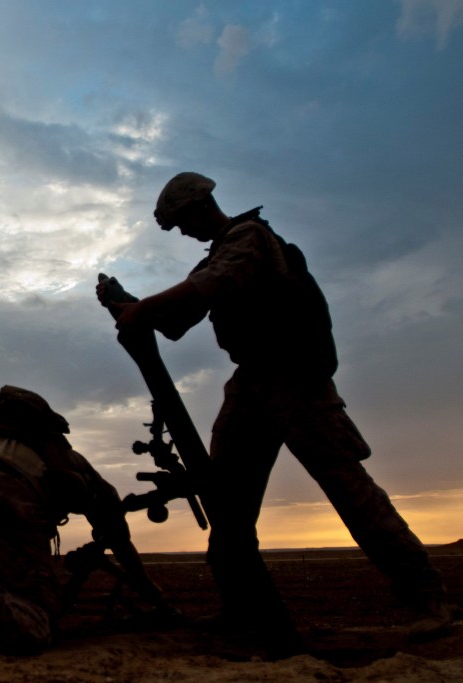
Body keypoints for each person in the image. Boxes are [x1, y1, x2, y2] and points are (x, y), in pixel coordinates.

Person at [97, 171, 453, 655]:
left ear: (202, 207)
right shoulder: (219, 253)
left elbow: (210, 284)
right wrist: (129, 307)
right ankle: (241, 606)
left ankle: (428, 602)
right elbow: (178, 323)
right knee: (228, 507)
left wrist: (146, 309)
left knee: (351, 494)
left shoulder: (249, 238)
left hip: (296, 381)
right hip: (251, 386)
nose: (183, 233)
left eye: (183, 223)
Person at [0, 385, 173, 654]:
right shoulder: (70, 461)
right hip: (2, 490)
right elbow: (116, 533)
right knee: (34, 616)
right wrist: (146, 587)